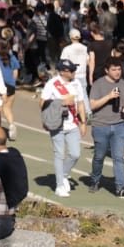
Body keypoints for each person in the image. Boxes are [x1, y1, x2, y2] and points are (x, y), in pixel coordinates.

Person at [41, 59, 87, 198]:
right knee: (59, 155)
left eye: (74, 69)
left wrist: (83, 122)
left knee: (75, 154)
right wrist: (61, 102)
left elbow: (80, 103)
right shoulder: (52, 84)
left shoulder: (76, 83)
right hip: (57, 125)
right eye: (71, 70)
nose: (74, 72)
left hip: (72, 124)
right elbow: (42, 103)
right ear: (62, 72)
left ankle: (64, 174)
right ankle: (59, 185)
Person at [87, 56, 124, 197]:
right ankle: (95, 180)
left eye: (119, 69)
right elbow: (92, 106)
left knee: (118, 157)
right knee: (99, 156)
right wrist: (108, 97)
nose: (117, 72)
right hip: (100, 126)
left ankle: (120, 187)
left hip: (120, 125)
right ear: (106, 70)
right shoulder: (98, 85)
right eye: (114, 69)